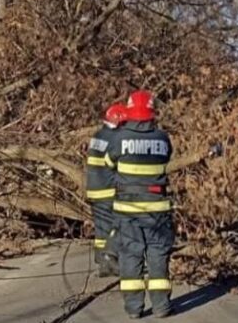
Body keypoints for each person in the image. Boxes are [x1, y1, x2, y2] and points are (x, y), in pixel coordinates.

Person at [105, 90, 174, 319]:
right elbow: (166, 159)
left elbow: (108, 163)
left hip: (128, 210)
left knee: (131, 256)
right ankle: (162, 306)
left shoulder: (119, 138)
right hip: (157, 209)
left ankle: (134, 309)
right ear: (152, 113)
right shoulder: (162, 138)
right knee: (158, 255)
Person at [86, 102, 128, 277]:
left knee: (102, 228)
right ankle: (111, 257)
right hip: (108, 189)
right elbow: (117, 163)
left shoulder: (98, 135)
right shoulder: (114, 138)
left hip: (94, 189)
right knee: (118, 223)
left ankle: (102, 264)